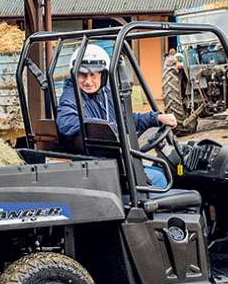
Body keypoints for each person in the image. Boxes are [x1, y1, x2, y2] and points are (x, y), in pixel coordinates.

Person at [56, 45, 177, 187]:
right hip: (100, 170)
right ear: (74, 74)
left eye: (93, 75)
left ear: (103, 75)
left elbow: (124, 119)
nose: (88, 81)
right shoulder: (70, 96)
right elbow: (66, 122)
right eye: (83, 75)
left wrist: (156, 118)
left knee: (158, 170)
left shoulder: (104, 94)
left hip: (112, 164)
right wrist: (106, 129)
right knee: (162, 178)